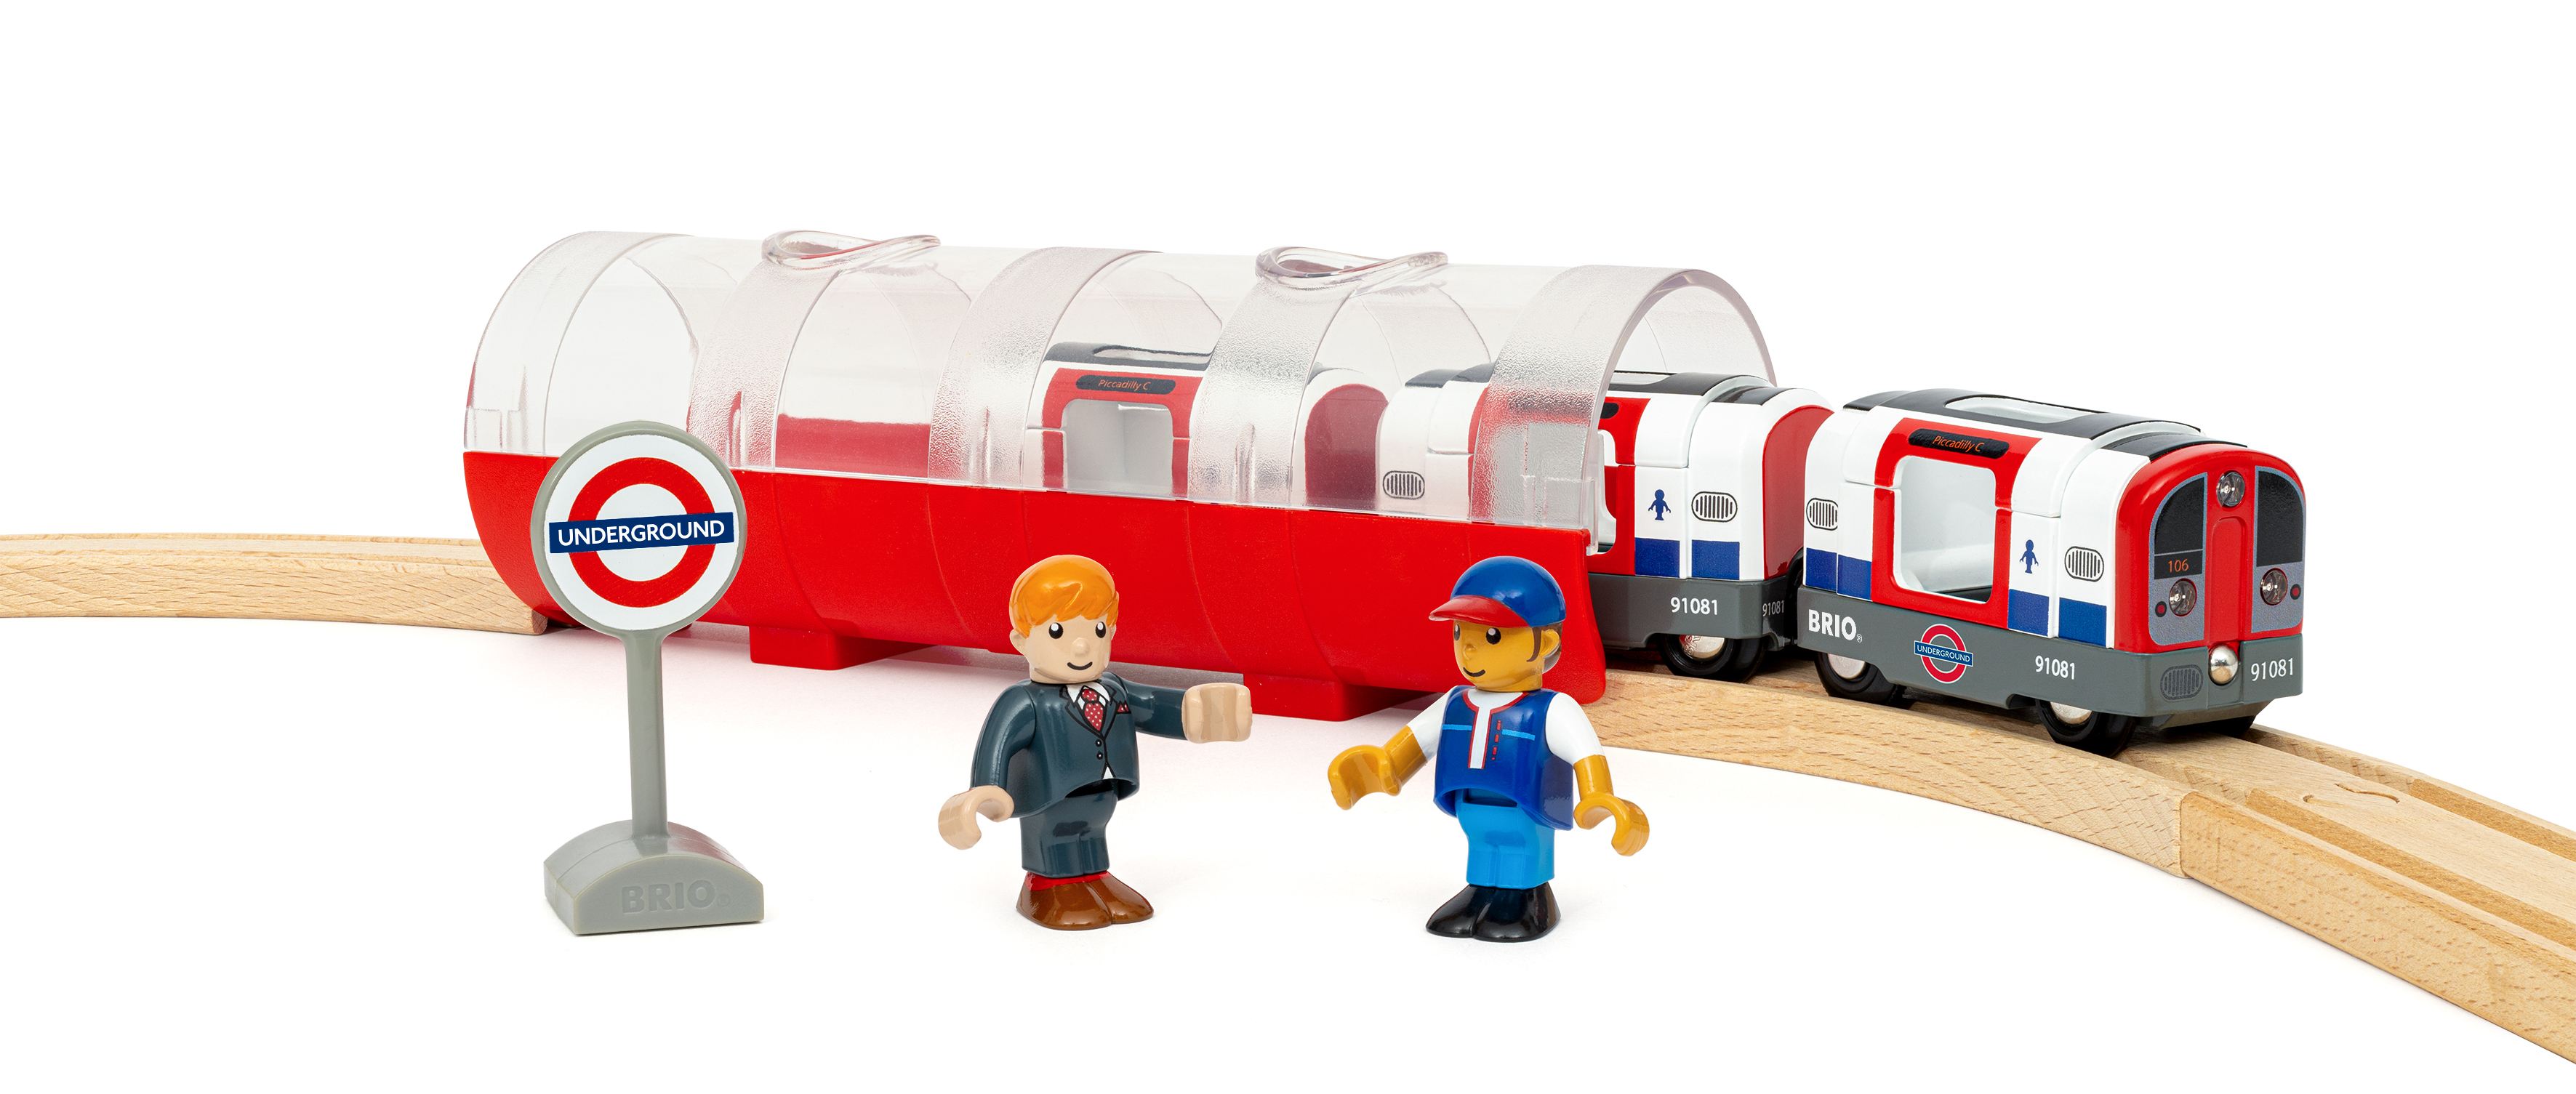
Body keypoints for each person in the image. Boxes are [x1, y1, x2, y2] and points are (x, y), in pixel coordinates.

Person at [1325, 555, 1648, 941]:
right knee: (1481, 842)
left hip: (1525, 808)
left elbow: (1586, 754)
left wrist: (1599, 797)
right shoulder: (1454, 701)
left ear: (1545, 643)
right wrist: (1383, 766)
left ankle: (1529, 898)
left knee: (1521, 846)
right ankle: (1481, 892)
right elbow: (1415, 743)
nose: (1469, 649)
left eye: (1492, 636)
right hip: (1471, 804)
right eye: (1460, 632)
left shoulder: (1552, 709)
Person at [937, 555, 1253, 930]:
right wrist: (985, 791)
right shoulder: (1024, 702)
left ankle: (1095, 878)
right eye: (1058, 632)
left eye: (1098, 630)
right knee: (1057, 838)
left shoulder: (1114, 687)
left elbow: (1153, 706)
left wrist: (1197, 711)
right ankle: (1045, 886)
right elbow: (997, 744)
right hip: (1052, 801)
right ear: (1021, 642)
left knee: (1091, 834)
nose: (1082, 647)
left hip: (1102, 792)